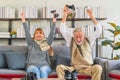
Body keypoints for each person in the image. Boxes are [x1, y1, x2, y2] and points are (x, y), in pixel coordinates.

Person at [56, 5, 102, 80]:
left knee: (98, 67)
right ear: (73, 36)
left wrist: (91, 16)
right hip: (74, 68)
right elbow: (62, 30)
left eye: (80, 36)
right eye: (76, 37)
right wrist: (65, 14)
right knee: (59, 67)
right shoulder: (71, 40)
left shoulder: (89, 40)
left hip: (87, 68)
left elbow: (99, 30)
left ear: (84, 35)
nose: (78, 39)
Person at [20, 11, 56, 78]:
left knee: (43, 70)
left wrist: (54, 22)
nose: (38, 34)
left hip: (44, 66)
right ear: (34, 36)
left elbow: (52, 34)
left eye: (40, 33)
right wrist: (23, 21)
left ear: (44, 36)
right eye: (36, 33)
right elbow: (27, 32)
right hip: (32, 65)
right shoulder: (31, 44)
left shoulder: (46, 43)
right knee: (34, 70)